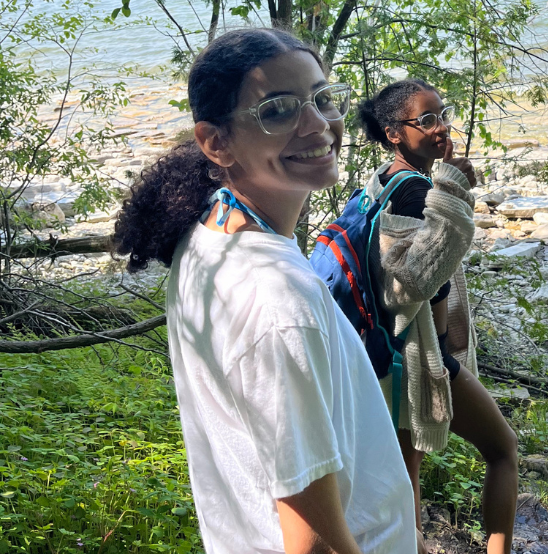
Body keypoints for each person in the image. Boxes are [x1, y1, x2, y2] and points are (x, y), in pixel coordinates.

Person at [114, 28, 415, 554]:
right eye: (278, 110)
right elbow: (312, 541)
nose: (319, 124)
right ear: (216, 142)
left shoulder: (210, 231)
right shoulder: (277, 300)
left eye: (323, 99)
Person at [357, 79, 518, 554]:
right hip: (416, 355)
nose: (440, 126)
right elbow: (416, 280)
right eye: (425, 120)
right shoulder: (411, 191)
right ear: (393, 133)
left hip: (392, 352)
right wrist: (453, 186)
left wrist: (446, 182)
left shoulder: (383, 179)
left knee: (408, 480)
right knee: (502, 449)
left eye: (441, 114)